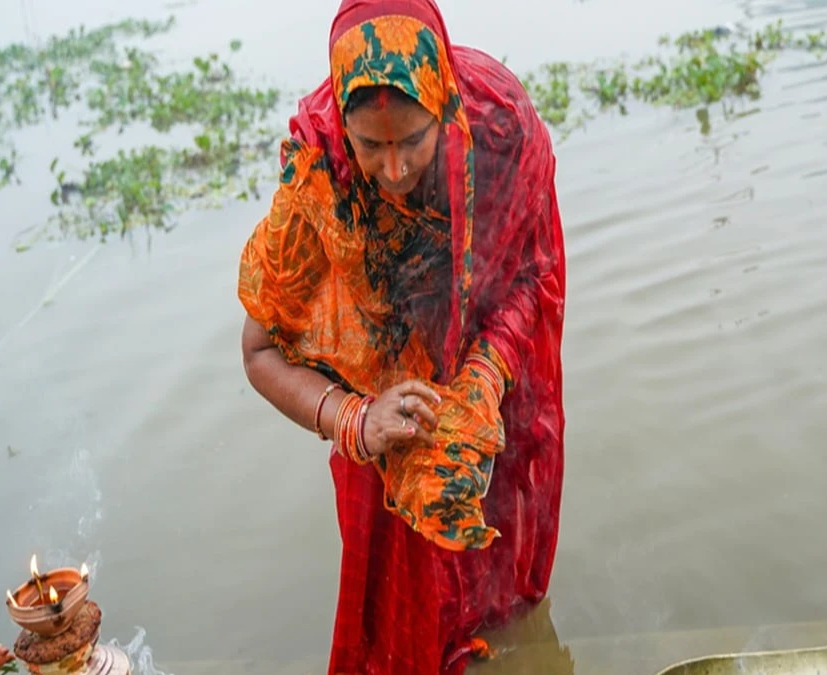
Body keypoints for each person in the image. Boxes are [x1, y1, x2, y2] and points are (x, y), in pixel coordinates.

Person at [236, 0, 566, 672]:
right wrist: (358, 420)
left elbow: (533, 272)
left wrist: (483, 378)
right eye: (371, 146)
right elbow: (259, 350)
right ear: (344, 130)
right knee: (398, 607)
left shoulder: (498, 128)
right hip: (381, 409)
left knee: (500, 570)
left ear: (443, 105)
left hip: (493, 364)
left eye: (413, 140)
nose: (393, 170)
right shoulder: (321, 173)